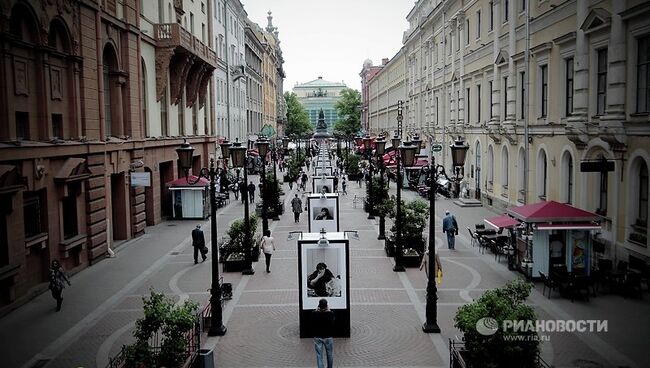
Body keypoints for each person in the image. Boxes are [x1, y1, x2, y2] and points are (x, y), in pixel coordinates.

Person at [312, 298, 335, 368]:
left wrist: (316, 311)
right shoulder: (331, 314)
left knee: (319, 355)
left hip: (318, 336)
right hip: (328, 337)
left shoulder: (314, 314)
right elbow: (333, 323)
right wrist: (329, 310)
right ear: (326, 306)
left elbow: (312, 323)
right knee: (330, 354)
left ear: (319, 306)